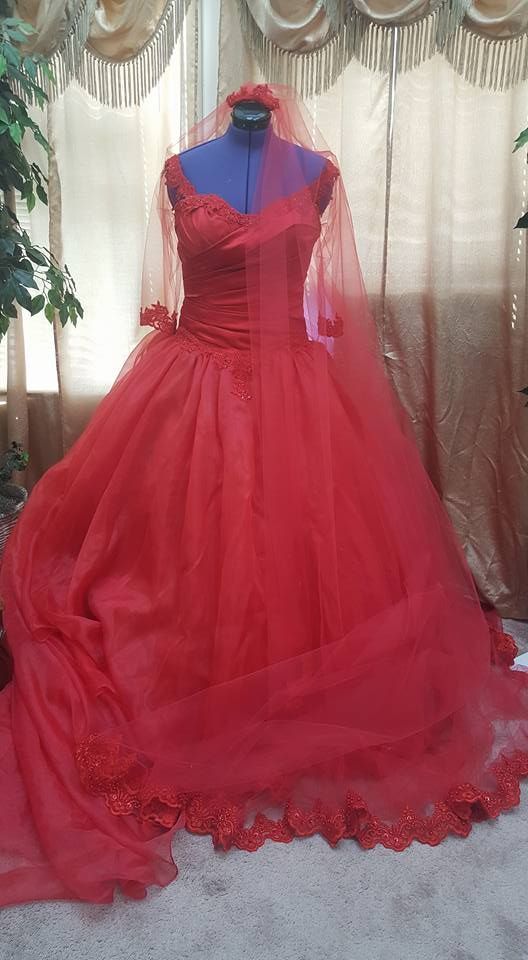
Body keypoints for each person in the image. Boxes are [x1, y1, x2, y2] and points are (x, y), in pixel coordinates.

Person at [0, 82, 526, 908]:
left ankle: (285, 693)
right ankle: (191, 679)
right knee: (181, 553)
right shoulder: (179, 172)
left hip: (294, 390)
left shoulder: (318, 173)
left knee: (309, 550)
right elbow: (167, 292)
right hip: (189, 383)